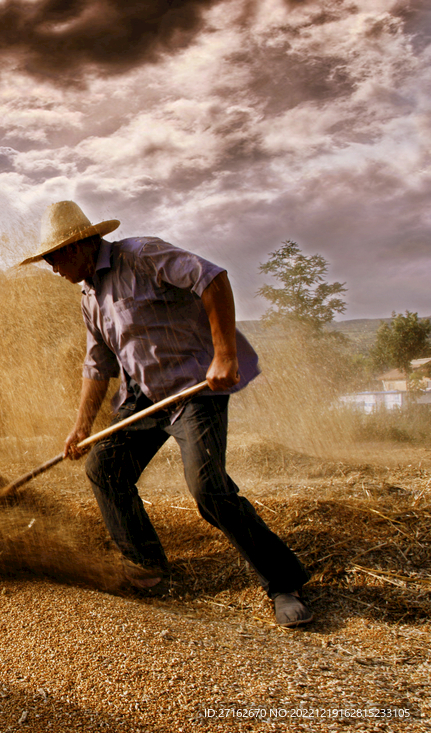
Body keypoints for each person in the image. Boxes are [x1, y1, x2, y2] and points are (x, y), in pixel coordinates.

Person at [20, 200, 312, 628]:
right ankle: (149, 569)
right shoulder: (89, 295)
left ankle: (284, 583)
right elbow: (97, 364)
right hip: (142, 397)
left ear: (76, 247)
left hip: (195, 389)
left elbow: (212, 279)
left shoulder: (141, 255)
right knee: (106, 470)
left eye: (52, 258)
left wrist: (225, 354)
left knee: (208, 489)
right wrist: (81, 427)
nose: (51, 269)